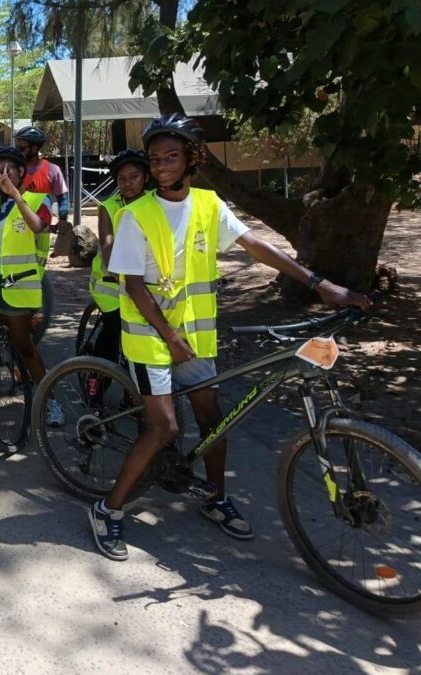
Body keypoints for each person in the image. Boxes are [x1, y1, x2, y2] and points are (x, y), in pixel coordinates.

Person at [89, 114, 372, 561]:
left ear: (192, 159)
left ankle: (215, 498)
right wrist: (169, 335)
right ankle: (108, 509)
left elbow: (257, 246)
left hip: (196, 338)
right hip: (150, 338)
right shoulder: (134, 215)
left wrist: (319, 283)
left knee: (216, 423)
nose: (161, 166)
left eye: (171, 157)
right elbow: (133, 285)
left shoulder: (208, 204)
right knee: (164, 427)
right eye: (155, 158)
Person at [0, 146, 64, 428]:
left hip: (18, 287)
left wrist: (16, 195)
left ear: (22, 173)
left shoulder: (37, 199)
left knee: (25, 347)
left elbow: (38, 226)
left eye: (10, 169)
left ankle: (50, 400)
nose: (3, 175)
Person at [85, 149, 152, 364]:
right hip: (110, 284)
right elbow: (107, 246)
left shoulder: (156, 204)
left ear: (146, 177)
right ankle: (99, 377)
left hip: (148, 280)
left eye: (134, 177)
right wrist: (118, 272)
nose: (128, 183)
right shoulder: (109, 207)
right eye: (122, 179)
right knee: (116, 327)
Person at [14, 126, 69, 256]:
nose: (18, 151)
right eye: (16, 148)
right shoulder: (13, 170)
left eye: (21, 148)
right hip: (16, 227)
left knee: (38, 268)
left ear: (34, 148)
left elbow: (63, 198)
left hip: (41, 229)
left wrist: (62, 219)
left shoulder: (52, 170)